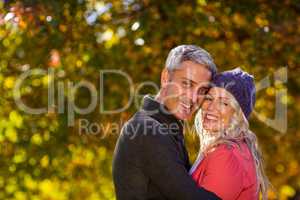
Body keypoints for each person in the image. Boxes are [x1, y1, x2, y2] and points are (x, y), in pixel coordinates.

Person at [112, 45, 221, 199]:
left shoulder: (166, 128)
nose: (193, 97)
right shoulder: (146, 129)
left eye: (202, 91)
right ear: (165, 78)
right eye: (187, 84)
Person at [190, 68, 270, 200]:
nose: (210, 107)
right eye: (209, 98)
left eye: (224, 103)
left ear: (238, 115)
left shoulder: (226, 155)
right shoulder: (237, 149)